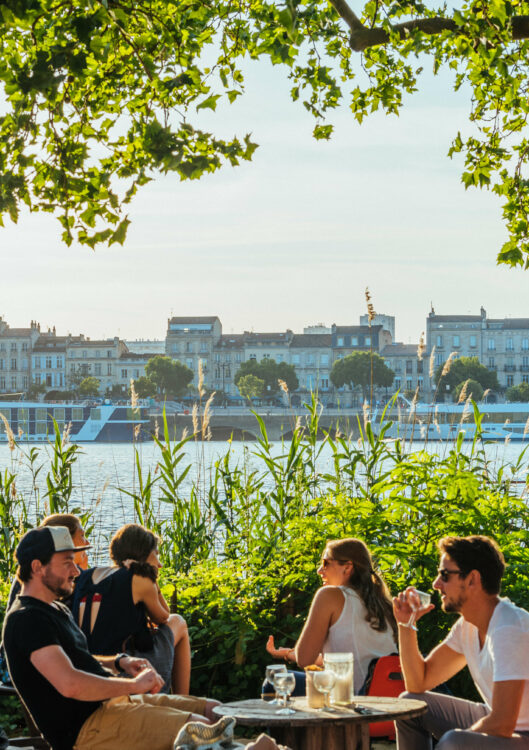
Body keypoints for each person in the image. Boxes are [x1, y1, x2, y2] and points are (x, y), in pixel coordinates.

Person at [2, 526, 219, 750]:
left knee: (213, 711)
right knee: (200, 729)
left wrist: (119, 661)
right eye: (67, 562)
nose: (76, 571)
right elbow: (70, 684)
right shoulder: (27, 620)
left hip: (111, 708)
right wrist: (133, 685)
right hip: (88, 729)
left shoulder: (56, 609)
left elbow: (74, 661)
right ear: (37, 567)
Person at [394, 535, 529, 749]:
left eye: (444, 575)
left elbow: (503, 723)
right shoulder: (467, 626)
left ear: (472, 579)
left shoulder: (509, 628)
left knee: (453, 743)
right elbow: (418, 683)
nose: (436, 584)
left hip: (522, 734)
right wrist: (406, 625)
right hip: (498, 721)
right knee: (409, 705)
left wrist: (454, 740)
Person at [70, 523, 190, 694]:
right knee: (178, 622)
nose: (160, 564)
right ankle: (183, 699)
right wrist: (150, 577)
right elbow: (163, 617)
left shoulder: (88, 574)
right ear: (144, 554)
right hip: (122, 670)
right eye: (156, 554)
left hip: (87, 667)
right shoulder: (138, 578)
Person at [266, 537, 397, 694]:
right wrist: (288, 654)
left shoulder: (330, 595)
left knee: (274, 680)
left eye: (325, 563)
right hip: (387, 695)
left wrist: (297, 655)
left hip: (352, 696)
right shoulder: (383, 604)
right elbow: (355, 659)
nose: (319, 570)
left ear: (347, 568)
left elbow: (304, 660)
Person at [6, 512, 89, 610]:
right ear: (65, 539)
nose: (87, 543)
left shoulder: (27, 575)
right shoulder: (51, 581)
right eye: (82, 535)